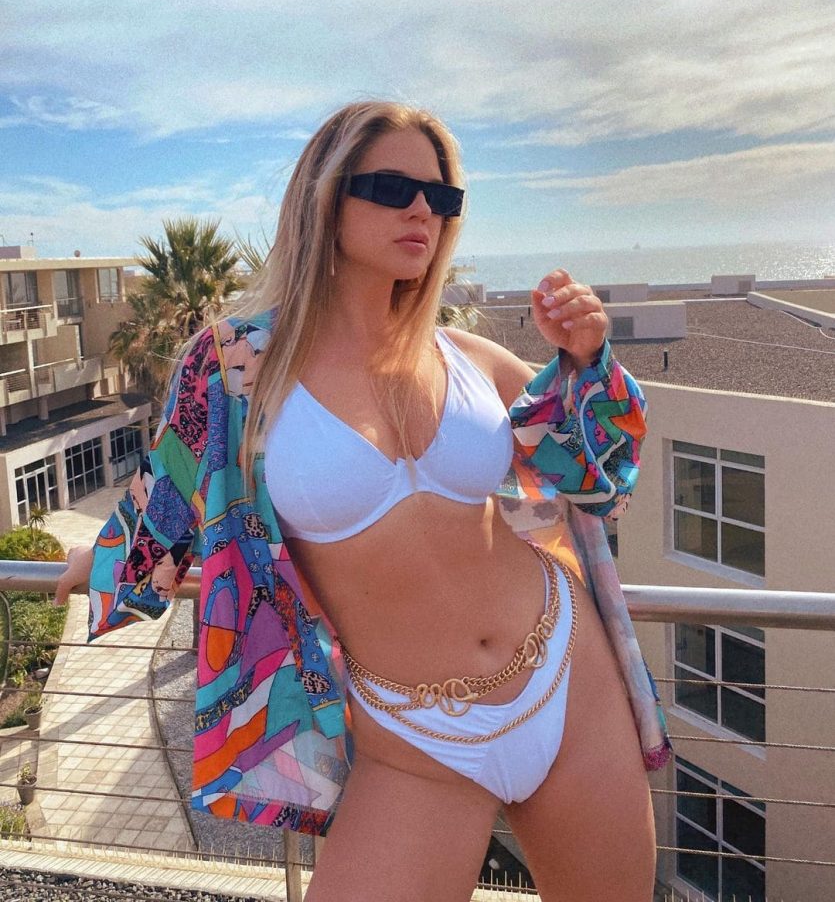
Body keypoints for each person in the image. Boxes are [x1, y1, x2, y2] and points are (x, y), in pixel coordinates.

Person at [56, 101, 670, 902]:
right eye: (390, 188)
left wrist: (587, 362)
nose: (421, 211)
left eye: (440, 197)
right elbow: (169, 499)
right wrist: (98, 558)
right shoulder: (237, 367)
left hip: (567, 681)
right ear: (324, 199)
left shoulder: (467, 356)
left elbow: (597, 478)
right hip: (410, 738)